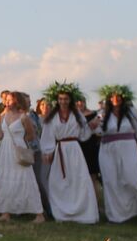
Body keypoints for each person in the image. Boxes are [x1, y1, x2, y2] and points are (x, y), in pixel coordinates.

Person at [95, 85, 137, 224]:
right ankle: (115, 217)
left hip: (128, 147)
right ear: (109, 99)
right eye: (113, 97)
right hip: (107, 150)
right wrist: (95, 125)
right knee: (111, 182)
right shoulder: (103, 113)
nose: (116, 99)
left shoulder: (130, 112)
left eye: (118, 97)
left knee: (132, 180)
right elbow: (97, 131)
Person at [39, 86, 99, 224]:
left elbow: (84, 134)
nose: (63, 101)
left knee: (78, 180)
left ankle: (83, 213)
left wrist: (91, 127)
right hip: (60, 149)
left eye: (65, 99)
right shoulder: (53, 116)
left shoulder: (77, 114)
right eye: (60, 99)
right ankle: (62, 213)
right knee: (59, 181)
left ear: (70, 100)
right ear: (57, 100)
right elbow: (47, 134)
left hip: (74, 150)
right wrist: (47, 151)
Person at [0, 91, 45, 223]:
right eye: (6, 100)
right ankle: (6, 212)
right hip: (5, 151)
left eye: (10, 100)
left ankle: (39, 214)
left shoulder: (24, 117)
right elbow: (0, 135)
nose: (7, 102)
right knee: (4, 178)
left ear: (17, 101)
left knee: (25, 179)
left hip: (18, 149)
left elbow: (31, 135)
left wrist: (20, 141)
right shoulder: (4, 116)